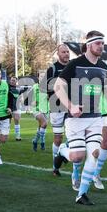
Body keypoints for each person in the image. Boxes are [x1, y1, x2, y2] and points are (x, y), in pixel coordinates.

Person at [53, 30, 107, 205]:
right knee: (77, 156)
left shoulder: (104, 67)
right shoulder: (74, 64)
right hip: (75, 118)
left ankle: (82, 194)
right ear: (88, 45)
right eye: (98, 43)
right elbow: (58, 86)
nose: (101, 46)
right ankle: (63, 151)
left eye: (102, 43)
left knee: (94, 153)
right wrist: (70, 105)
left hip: (95, 118)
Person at [47, 44, 70, 176]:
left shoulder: (73, 66)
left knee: (74, 135)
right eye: (63, 52)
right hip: (56, 107)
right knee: (58, 138)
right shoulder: (53, 68)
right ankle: (55, 166)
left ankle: (62, 153)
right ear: (58, 54)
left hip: (71, 106)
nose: (66, 54)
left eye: (67, 52)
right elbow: (46, 87)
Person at [31, 74, 49, 152]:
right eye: (41, 76)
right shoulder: (35, 87)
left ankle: (35, 141)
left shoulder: (48, 87)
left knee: (41, 127)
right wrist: (32, 102)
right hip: (37, 109)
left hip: (46, 109)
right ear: (38, 78)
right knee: (44, 123)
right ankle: (42, 143)